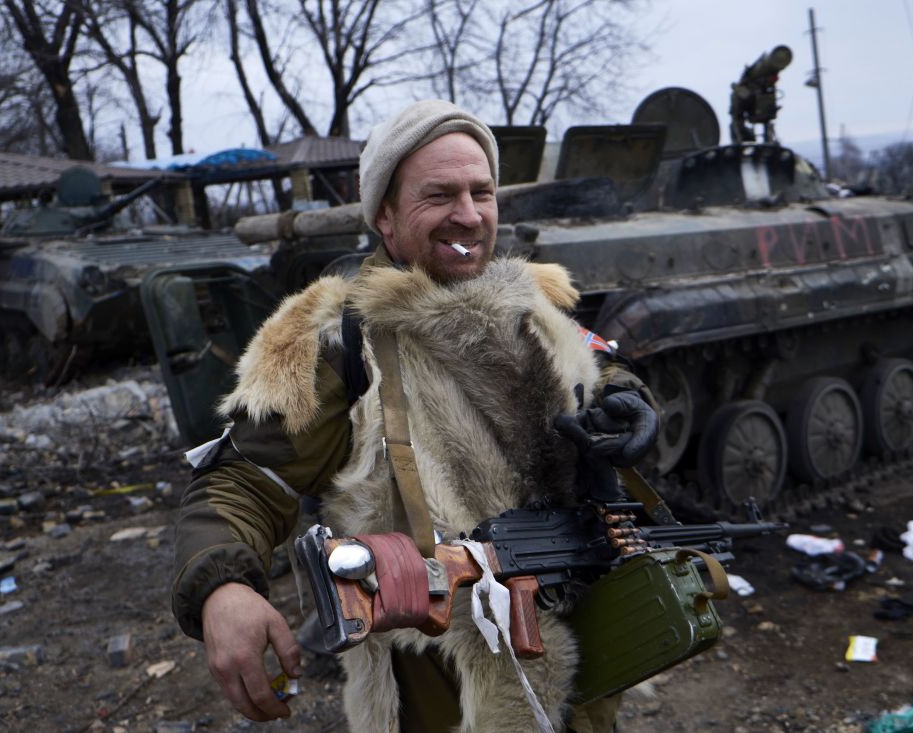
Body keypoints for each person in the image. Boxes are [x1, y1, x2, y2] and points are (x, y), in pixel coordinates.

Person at [171, 99, 657, 732]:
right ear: (386, 216)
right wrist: (221, 588)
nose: (468, 214)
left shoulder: (532, 301)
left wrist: (625, 395)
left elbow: (598, 363)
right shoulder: (335, 338)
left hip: (579, 673)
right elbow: (240, 482)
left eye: (481, 191)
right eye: (439, 195)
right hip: (442, 698)